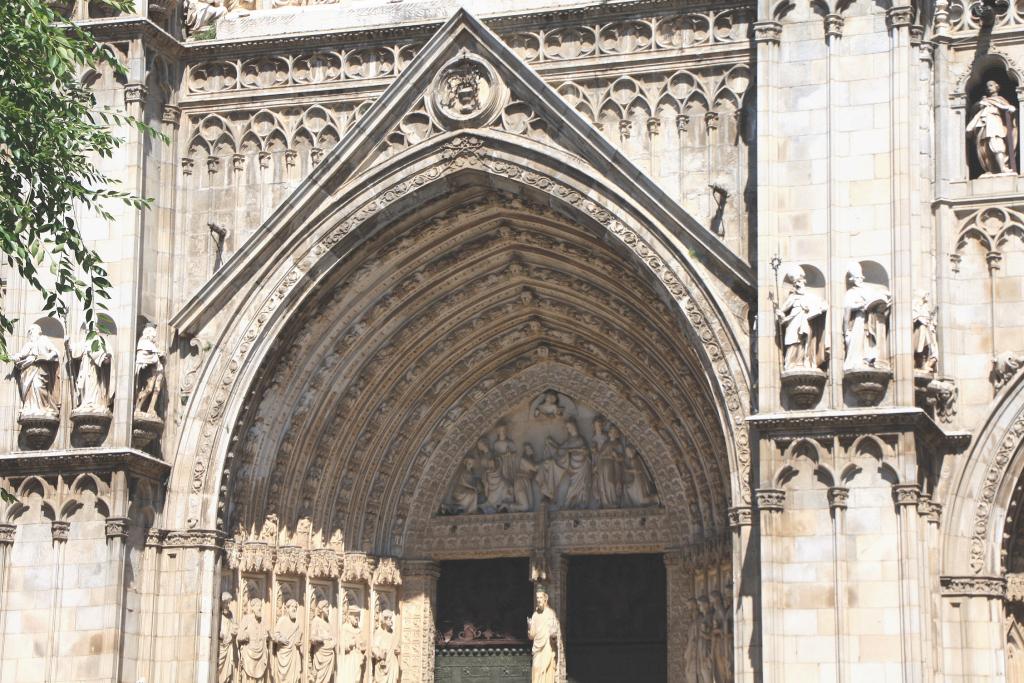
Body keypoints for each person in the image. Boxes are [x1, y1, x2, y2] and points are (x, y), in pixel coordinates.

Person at [775, 266, 828, 371]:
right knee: (793, 341)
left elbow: (822, 306)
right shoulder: (793, 297)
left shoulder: (811, 297)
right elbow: (781, 310)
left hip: (805, 323)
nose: (797, 284)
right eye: (795, 282)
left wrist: (821, 308)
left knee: (804, 341)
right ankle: (790, 364)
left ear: (803, 281)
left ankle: (803, 362)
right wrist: (781, 315)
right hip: (793, 322)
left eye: (799, 281)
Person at [842, 263, 891, 371]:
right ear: (852, 280)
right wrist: (860, 305)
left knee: (868, 337)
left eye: (860, 277)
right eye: (856, 278)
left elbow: (876, 299)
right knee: (857, 339)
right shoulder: (850, 292)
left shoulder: (868, 290)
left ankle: (868, 359)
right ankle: (856, 361)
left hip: (869, 319)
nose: (858, 280)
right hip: (858, 320)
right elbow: (847, 308)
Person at [967, 79, 1018, 176]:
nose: (989, 88)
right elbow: (973, 110)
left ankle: (1003, 168)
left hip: (995, 123)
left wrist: (1002, 106)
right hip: (984, 125)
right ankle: (991, 170)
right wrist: (980, 103)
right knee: (985, 147)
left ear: (996, 86)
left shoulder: (1000, 100)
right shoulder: (984, 101)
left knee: (997, 144)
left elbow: (1011, 110)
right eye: (987, 86)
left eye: (991, 85)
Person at [10, 324, 60, 415]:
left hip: (41, 368)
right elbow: (21, 354)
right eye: (29, 331)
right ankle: (29, 407)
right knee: (28, 388)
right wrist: (15, 357)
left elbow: (55, 351)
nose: (31, 333)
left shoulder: (43, 340)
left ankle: (42, 408)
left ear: (38, 331)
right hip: (28, 368)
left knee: (38, 386)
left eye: (32, 330)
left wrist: (48, 356)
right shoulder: (28, 344)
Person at [527, 587, 562, 683]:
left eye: (540, 597)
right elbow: (531, 636)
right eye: (537, 598)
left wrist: (554, 635)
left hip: (548, 647)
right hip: (537, 648)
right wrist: (530, 627)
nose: (538, 600)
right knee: (536, 668)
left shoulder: (551, 614)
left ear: (545, 598)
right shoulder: (535, 615)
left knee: (547, 671)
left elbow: (555, 636)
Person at [134, 324, 165, 415]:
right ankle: (138, 407)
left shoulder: (152, 345)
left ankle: (151, 408)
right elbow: (142, 356)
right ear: (148, 334)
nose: (154, 337)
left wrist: (160, 354)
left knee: (157, 389)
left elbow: (155, 354)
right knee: (149, 389)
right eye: (153, 335)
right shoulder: (143, 343)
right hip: (151, 371)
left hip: (158, 370)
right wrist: (155, 355)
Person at [237, 598, 270, 683]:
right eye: (258, 606)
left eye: (261, 606)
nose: (259, 608)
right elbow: (239, 636)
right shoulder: (246, 619)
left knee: (260, 679)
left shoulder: (263, 621)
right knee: (248, 680)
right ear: (252, 607)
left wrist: (268, 637)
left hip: (260, 656)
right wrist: (245, 635)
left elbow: (268, 635)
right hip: (249, 655)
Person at [272, 598, 303, 683]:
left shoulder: (297, 623)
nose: (294, 609)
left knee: (293, 678)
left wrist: (299, 643)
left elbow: (298, 637)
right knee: (282, 678)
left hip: (293, 654)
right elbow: (274, 635)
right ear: (287, 609)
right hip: (283, 654)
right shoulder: (282, 620)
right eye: (292, 607)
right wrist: (281, 639)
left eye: (295, 607)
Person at [309, 599, 336, 683]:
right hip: (320, 654)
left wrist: (333, 642)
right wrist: (320, 638)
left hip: (329, 654)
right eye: (326, 608)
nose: (328, 610)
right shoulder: (316, 621)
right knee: (319, 678)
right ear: (321, 609)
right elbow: (312, 638)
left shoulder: (328, 623)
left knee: (327, 680)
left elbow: (332, 637)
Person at [372, 610, 400, 683]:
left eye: (391, 619)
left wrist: (398, 650)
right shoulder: (379, 633)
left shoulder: (393, 634)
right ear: (384, 620)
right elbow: (374, 648)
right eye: (389, 619)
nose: (391, 621)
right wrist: (380, 655)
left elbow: (397, 646)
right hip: (383, 664)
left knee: (393, 680)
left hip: (392, 662)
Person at [340, 606, 366, 683]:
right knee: (349, 677)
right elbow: (341, 645)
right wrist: (349, 644)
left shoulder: (359, 630)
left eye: (358, 616)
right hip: (348, 657)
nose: (357, 619)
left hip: (358, 657)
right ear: (350, 616)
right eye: (355, 616)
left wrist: (362, 646)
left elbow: (362, 644)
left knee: (357, 679)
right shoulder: (345, 628)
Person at [218, 593, 236, 683]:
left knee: (228, 669)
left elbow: (234, 626)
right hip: (221, 646)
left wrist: (234, 631)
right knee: (218, 667)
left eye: (229, 603)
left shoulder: (230, 615)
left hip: (228, 646)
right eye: (226, 603)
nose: (228, 605)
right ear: (222, 603)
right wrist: (220, 634)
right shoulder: (217, 616)